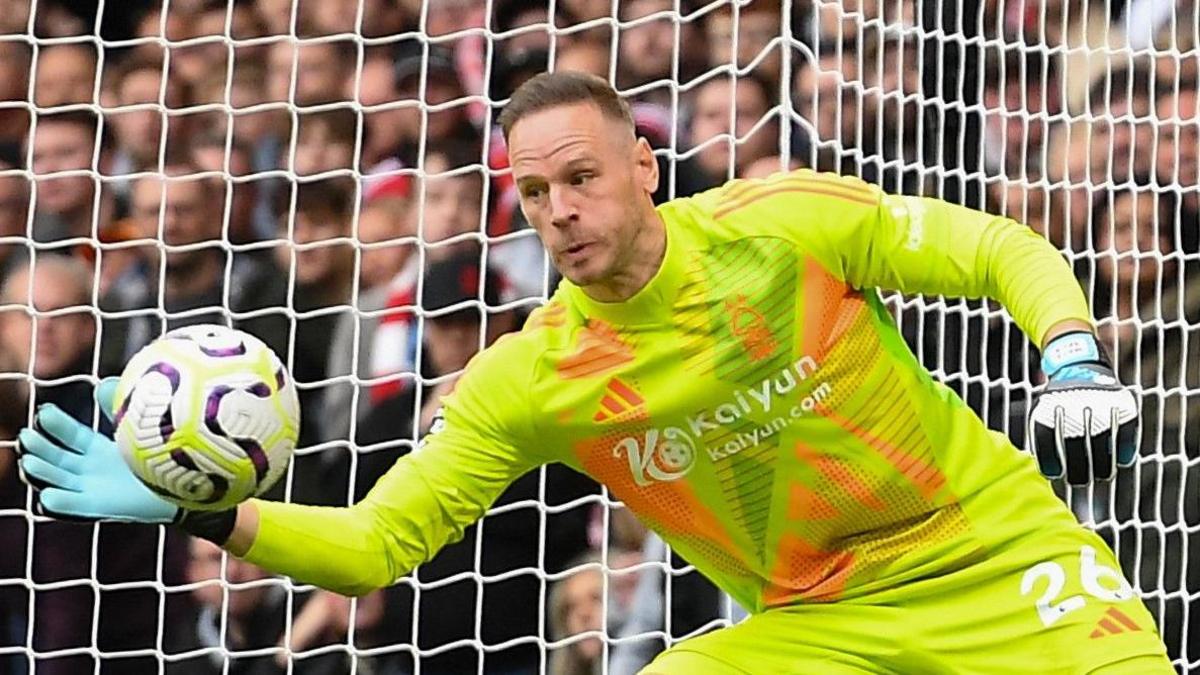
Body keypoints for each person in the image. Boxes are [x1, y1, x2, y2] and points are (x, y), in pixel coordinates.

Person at [14, 72, 1173, 672]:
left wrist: (1070, 351)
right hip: (815, 623)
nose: (562, 212)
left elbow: (997, 245)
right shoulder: (533, 376)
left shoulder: (783, 222)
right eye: (535, 193)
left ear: (644, 165)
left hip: (996, 556)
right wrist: (209, 509)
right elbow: (375, 548)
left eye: (583, 178)